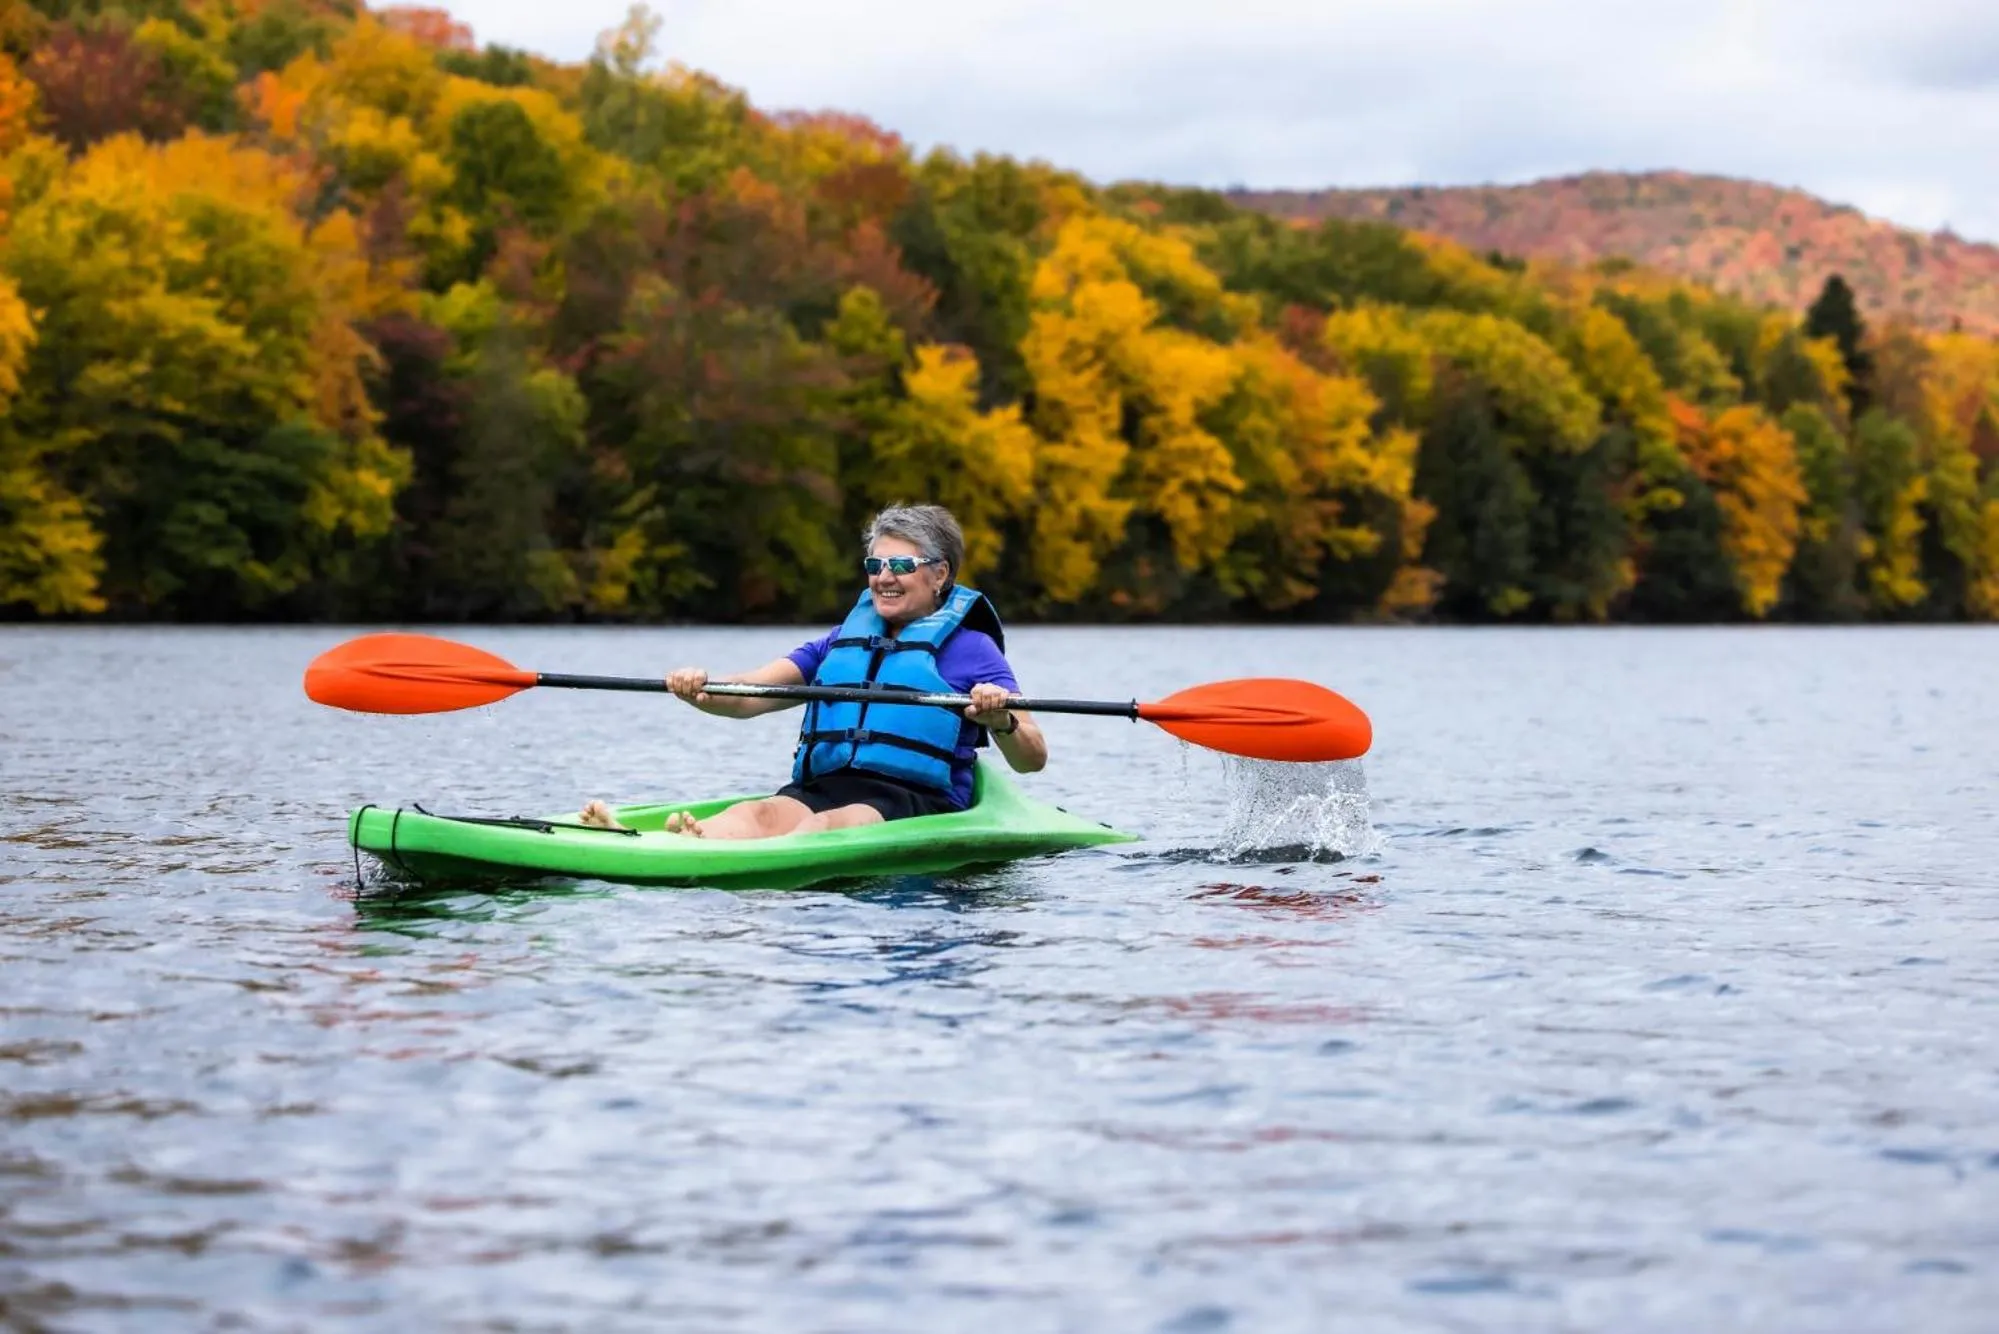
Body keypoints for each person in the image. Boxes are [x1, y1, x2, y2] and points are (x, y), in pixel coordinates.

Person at [579, 504, 1046, 838]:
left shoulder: (973, 649)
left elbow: (1032, 756)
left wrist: (1000, 720)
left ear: (940, 573)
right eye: (875, 564)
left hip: (913, 801)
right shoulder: (840, 641)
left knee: (827, 825)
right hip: (826, 785)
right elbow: (746, 696)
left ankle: (734, 858)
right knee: (757, 813)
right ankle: (665, 843)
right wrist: (698, 688)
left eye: (901, 564)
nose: (884, 577)